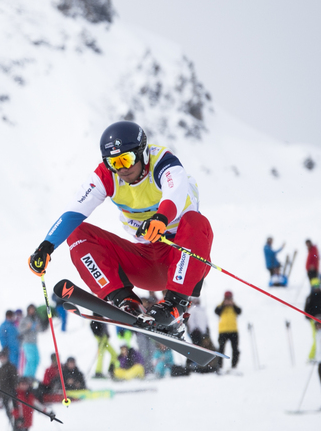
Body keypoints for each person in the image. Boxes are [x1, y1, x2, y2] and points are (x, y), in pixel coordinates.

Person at [29, 121, 213, 339]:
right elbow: (74, 211)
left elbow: (176, 191)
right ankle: (125, 301)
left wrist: (161, 218)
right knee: (78, 233)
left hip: (183, 259)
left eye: (126, 159)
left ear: (142, 153)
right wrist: (46, 246)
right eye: (113, 162)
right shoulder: (108, 176)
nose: (122, 168)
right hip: (145, 262)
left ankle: (174, 307)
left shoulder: (163, 162)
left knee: (196, 222)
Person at [215, 291, 242, 370]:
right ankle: (219, 366)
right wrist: (224, 305)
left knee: (235, 349)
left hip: (233, 330)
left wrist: (232, 305)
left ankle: (234, 366)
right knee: (221, 349)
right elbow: (217, 311)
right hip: (223, 331)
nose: (228, 300)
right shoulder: (221, 305)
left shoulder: (234, 306)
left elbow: (239, 311)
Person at [0, 349, 18, 431]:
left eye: (3, 356)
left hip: (12, 394)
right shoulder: (0, 369)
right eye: (0, 357)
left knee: (14, 412)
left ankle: (16, 428)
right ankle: (14, 428)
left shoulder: (11, 367)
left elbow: (15, 380)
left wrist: (12, 391)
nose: (2, 358)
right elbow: (0, 383)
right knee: (8, 413)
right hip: (4, 394)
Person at [18, 305, 41, 378]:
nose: (32, 311)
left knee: (37, 359)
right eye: (30, 310)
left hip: (34, 342)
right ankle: (26, 377)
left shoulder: (36, 318)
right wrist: (27, 327)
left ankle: (32, 376)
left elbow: (40, 329)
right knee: (30, 360)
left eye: (33, 309)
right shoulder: (25, 319)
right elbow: (20, 330)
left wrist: (38, 327)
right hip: (27, 342)